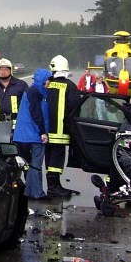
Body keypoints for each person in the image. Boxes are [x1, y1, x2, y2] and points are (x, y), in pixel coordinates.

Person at [45, 55, 81, 197]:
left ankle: (53, 184)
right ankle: (54, 186)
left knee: (50, 155)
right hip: (61, 129)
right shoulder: (70, 86)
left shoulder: (48, 84)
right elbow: (75, 108)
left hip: (47, 130)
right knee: (58, 156)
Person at [13, 68, 52, 200]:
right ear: (43, 80)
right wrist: (42, 132)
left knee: (30, 164)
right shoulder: (36, 93)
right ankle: (37, 192)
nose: (49, 84)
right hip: (33, 134)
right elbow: (36, 113)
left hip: (23, 135)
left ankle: (29, 192)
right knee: (36, 164)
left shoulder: (32, 91)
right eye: (48, 81)